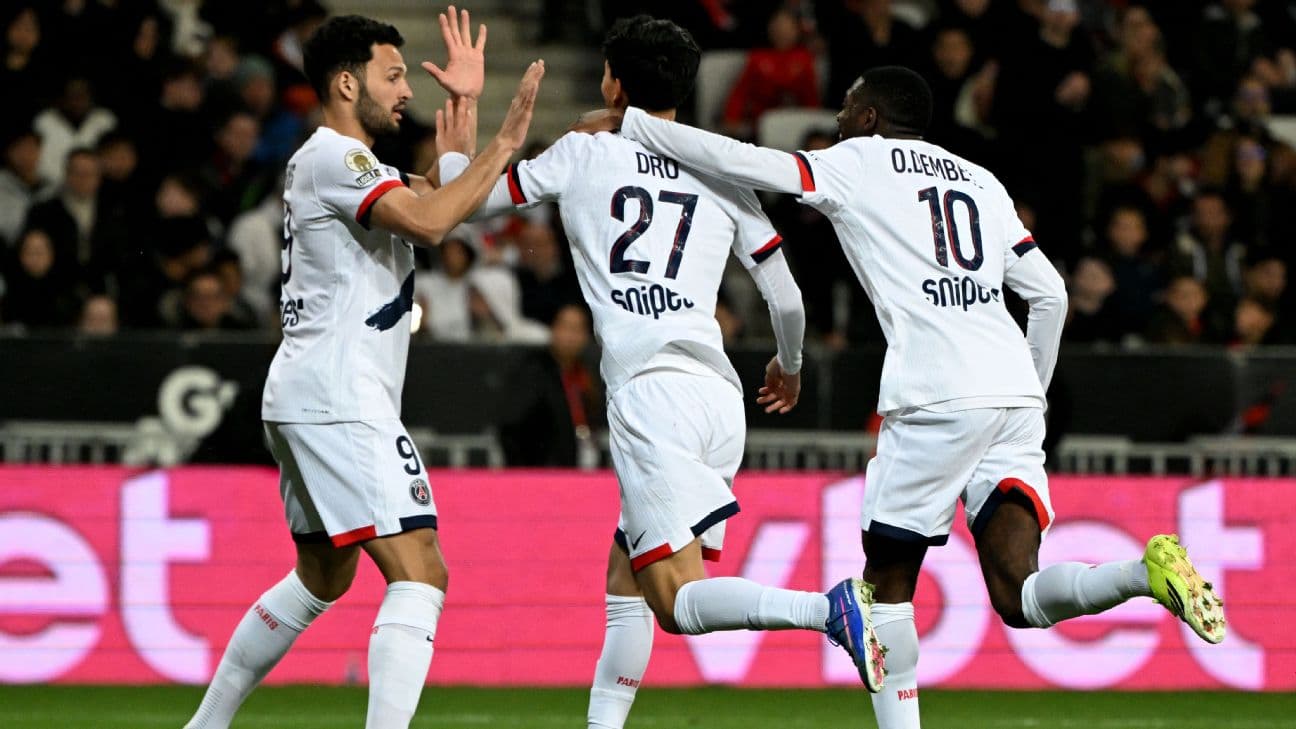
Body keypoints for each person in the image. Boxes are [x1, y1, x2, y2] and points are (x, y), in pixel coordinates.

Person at [588, 64, 1227, 729]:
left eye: (847, 107)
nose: (838, 118)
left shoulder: (858, 162)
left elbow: (743, 160)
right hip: (1011, 393)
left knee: (884, 593)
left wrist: (635, 125)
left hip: (936, 395)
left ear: (869, 117)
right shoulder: (979, 178)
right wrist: (1028, 397)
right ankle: (1142, 575)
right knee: (1021, 595)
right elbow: (1051, 296)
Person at [438, 16, 886, 729]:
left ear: (613, 83)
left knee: (675, 600)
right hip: (717, 395)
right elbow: (787, 298)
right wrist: (791, 365)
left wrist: (459, 134)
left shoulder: (583, 152)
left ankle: (825, 609)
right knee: (626, 578)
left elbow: (460, 203)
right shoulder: (720, 166)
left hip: (651, 393)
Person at [181, 8, 544, 729]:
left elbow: (441, 196)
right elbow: (433, 222)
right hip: (339, 394)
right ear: (347, 84)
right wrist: (505, 142)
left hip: (310, 390)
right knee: (422, 569)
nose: (407, 91)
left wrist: (465, 113)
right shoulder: (336, 159)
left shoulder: (348, 166)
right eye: (394, 75)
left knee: (322, 575)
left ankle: (205, 725)